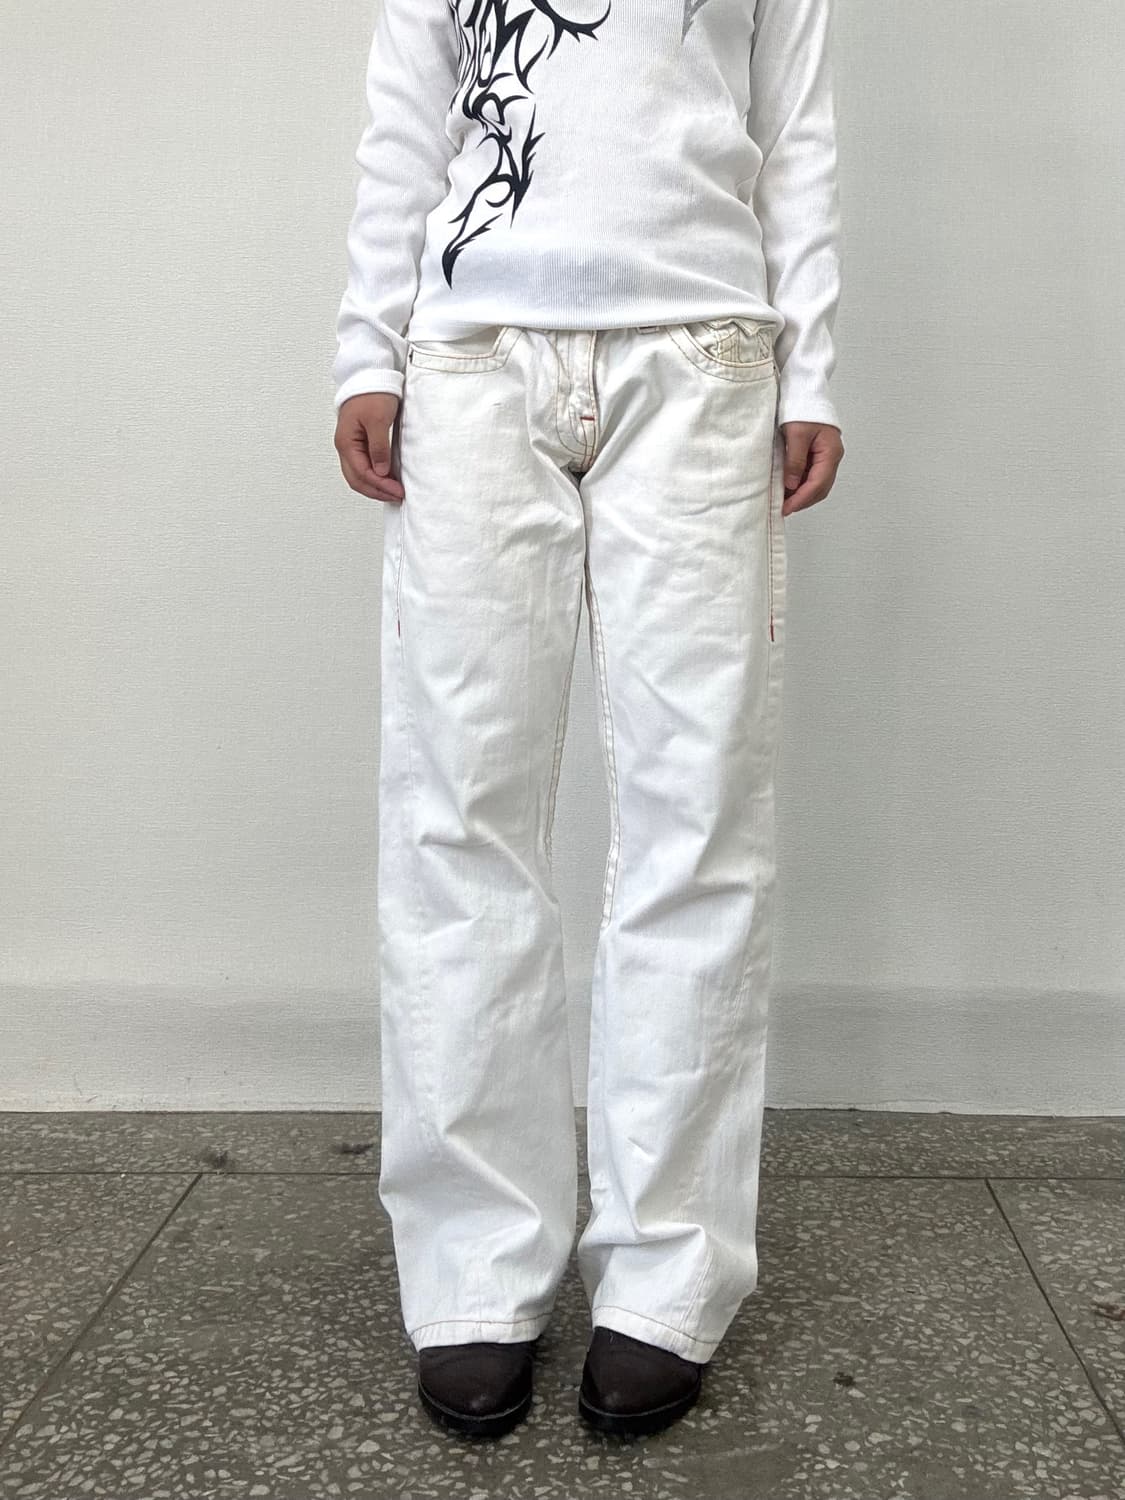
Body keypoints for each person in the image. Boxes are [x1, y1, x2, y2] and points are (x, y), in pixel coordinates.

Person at [332, 0, 844, 1441]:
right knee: (460, 815)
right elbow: (406, 117)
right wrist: (368, 349)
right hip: (474, 358)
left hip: (703, 357)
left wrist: (811, 365)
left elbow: (795, 129)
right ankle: (472, 1271)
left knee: (696, 817)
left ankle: (666, 1276)